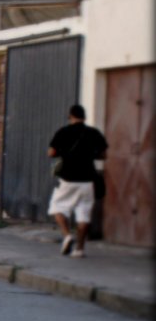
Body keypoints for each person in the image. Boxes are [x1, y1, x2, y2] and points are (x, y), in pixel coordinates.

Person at [47, 104, 108, 258]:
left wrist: (63, 153)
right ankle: (79, 250)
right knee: (84, 214)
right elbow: (104, 155)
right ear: (84, 117)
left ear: (70, 116)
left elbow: (51, 153)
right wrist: (89, 155)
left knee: (57, 207)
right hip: (87, 180)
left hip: (68, 179)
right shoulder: (93, 133)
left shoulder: (63, 132)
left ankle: (67, 236)